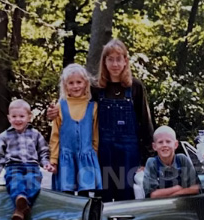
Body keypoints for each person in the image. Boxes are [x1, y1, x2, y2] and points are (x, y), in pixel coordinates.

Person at [47, 39, 155, 202]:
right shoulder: (97, 88)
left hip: (128, 153)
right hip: (103, 152)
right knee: (102, 196)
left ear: (126, 61)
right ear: (104, 62)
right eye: (110, 59)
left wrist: (147, 158)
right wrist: (52, 112)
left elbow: (146, 123)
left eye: (119, 59)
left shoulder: (135, 87)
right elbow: (74, 103)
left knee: (125, 195)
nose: (115, 64)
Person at [0, 99, 54, 220]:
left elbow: (43, 151)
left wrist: (46, 163)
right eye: (14, 116)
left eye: (21, 116)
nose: (17, 119)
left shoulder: (35, 134)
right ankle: (21, 199)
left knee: (32, 181)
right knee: (14, 181)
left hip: (32, 165)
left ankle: (21, 207)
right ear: (9, 118)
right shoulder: (4, 136)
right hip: (13, 165)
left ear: (29, 117)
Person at [49, 63, 102, 196]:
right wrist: (53, 160)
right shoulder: (60, 106)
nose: (75, 86)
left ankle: (85, 216)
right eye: (71, 83)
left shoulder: (93, 107)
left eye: (79, 82)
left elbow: (95, 133)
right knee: (66, 194)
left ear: (86, 83)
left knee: (85, 194)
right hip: (66, 159)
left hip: (86, 157)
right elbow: (55, 135)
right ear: (65, 85)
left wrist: (94, 153)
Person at [143, 126, 201, 198]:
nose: (164, 145)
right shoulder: (152, 162)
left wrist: (174, 194)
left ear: (176, 144)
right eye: (160, 142)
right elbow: (153, 195)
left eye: (168, 141)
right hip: (160, 207)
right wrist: (177, 188)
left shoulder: (182, 159)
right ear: (154, 146)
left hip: (184, 204)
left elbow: (195, 188)